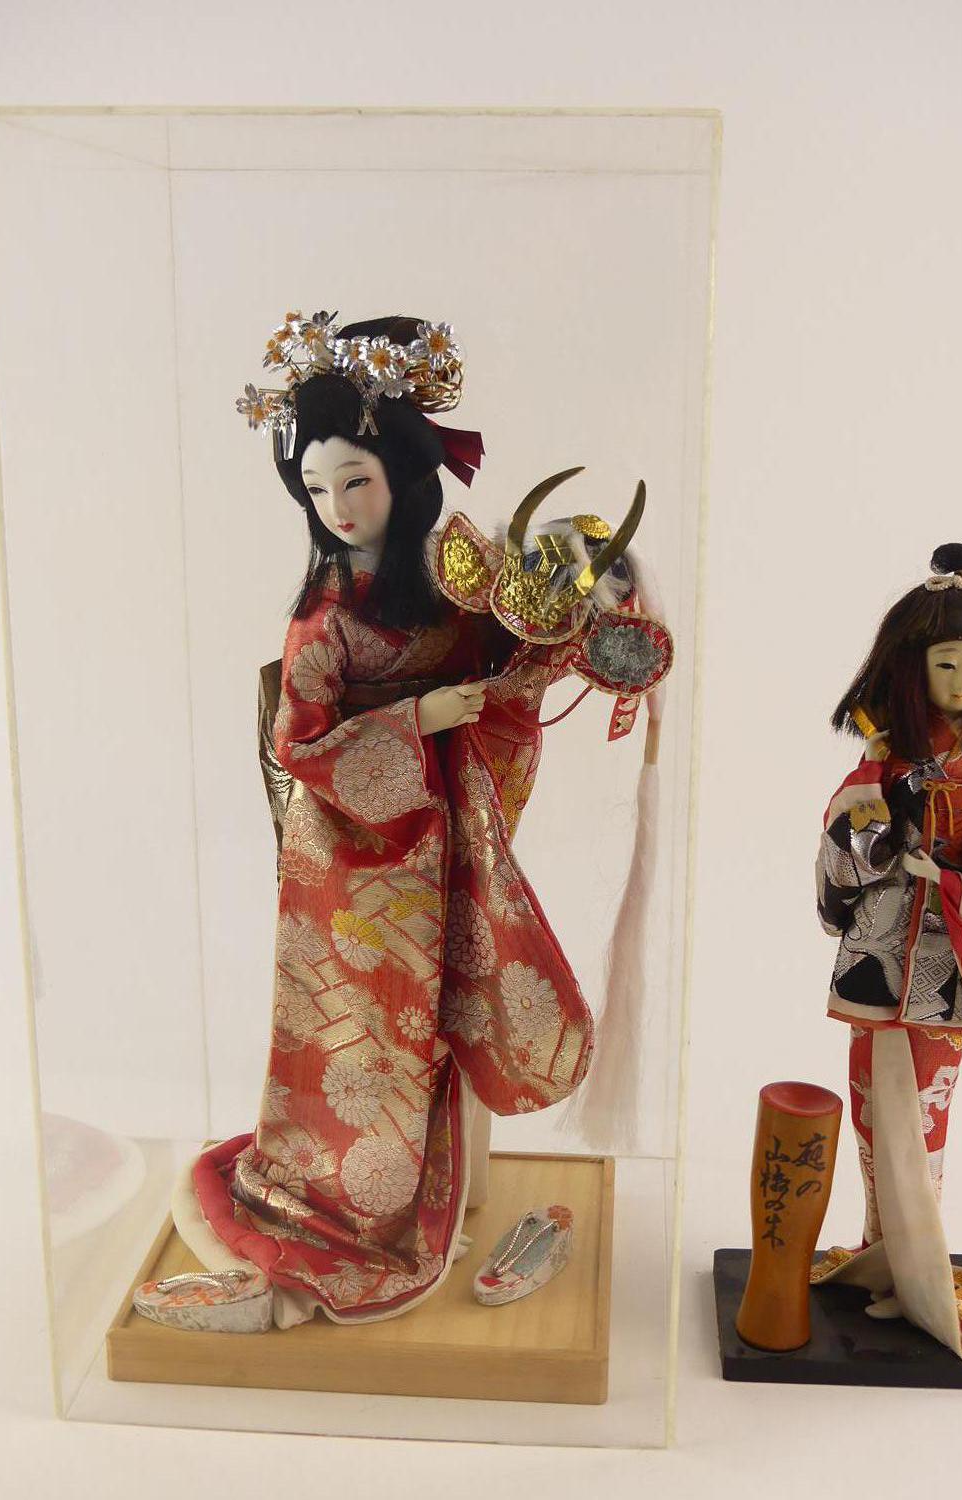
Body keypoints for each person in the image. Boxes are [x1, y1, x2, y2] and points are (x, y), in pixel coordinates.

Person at [171, 312, 671, 1327]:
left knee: (466, 992)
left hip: (456, 820)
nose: (338, 507)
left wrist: (572, 625)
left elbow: (511, 659)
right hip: (352, 856)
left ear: (403, 472)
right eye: (317, 488)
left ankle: (461, 1185)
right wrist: (416, 719)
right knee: (377, 1028)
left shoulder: (460, 568)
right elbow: (299, 741)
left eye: (355, 480)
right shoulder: (323, 614)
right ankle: (357, 1199)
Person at [810, 542, 962, 1360]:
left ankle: (915, 1268)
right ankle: (878, 1253)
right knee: (873, 1106)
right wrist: (878, 827)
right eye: (947, 665)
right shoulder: (885, 756)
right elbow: (841, 847)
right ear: (914, 668)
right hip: (880, 946)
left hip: (949, 955)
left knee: (927, 1114)